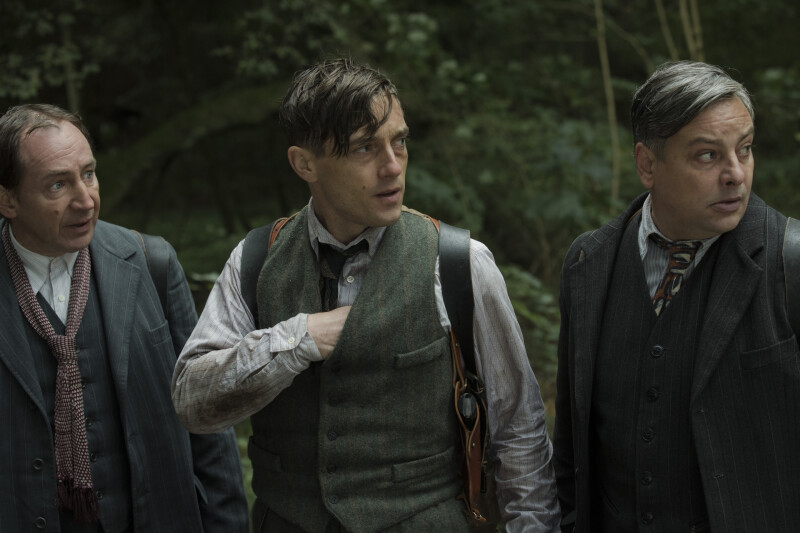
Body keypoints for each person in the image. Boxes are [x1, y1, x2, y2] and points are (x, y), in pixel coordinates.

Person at [171, 58, 560, 532]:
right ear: (304, 163)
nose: (392, 166)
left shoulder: (459, 262)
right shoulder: (255, 260)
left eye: (400, 142)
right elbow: (192, 402)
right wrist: (297, 339)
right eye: (364, 148)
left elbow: (519, 432)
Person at [553, 60, 800, 532]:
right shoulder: (588, 263)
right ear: (647, 164)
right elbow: (571, 446)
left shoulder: (791, 262)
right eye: (707, 155)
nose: (736, 174)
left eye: (745, 149)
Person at [0, 104, 248, 532]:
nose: (85, 199)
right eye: (58, 184)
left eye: (89, 174)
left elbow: (205, 414)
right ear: (7, 199)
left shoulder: (152, 263)